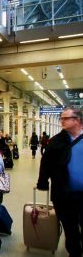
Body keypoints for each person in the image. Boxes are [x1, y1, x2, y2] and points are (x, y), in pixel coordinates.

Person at [37, 107, 83, 257]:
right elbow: (46, 163)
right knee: (70, 228)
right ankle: (75, 253)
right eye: (61, 118)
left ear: (76, 120)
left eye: (65, 118)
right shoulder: (56, 141)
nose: (61, 121)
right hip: (63, 194)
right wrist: (42, 182)